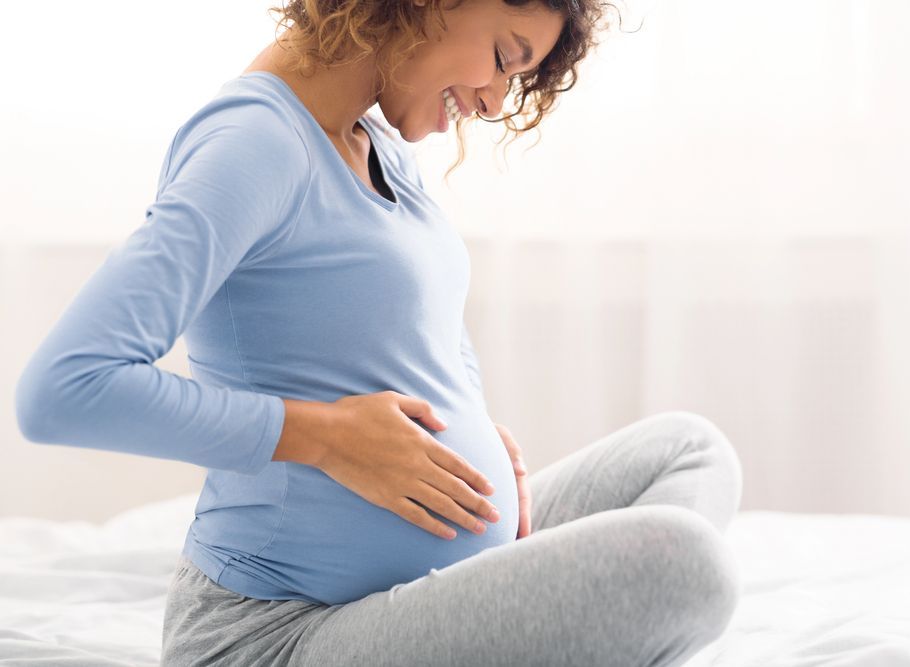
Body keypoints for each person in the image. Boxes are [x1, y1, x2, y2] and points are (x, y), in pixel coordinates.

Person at [14, 0, 744, 664]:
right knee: (685, 565)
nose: (495, 101)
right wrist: (325, 435)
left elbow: (420, 320)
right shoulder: (255, 145)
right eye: (503, 56)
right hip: (278, 630)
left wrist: (483, 436)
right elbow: (65, 389)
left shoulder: (370, 137)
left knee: (689, 449)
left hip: (425, 570)